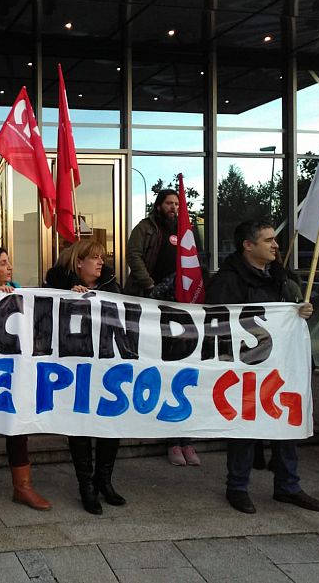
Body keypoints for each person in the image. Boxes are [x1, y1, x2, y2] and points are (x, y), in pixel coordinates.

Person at [206, 220, 319, 514]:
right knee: (245, 427)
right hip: (246, 367)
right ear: (248, 246)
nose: (276, 245)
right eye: (268, 240)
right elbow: (216, 322)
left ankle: (288, 486)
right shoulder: (228, 280)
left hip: (283, 364)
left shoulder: (281, 276)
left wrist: (301, 310)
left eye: (275, 239)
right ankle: (237, 487)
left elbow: (292, 312)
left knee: (287, 422)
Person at [0, 246, 52, 525]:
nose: (9, 267)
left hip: (15, 375)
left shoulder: (20, 293)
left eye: (9, 262)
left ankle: (22, 488)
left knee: (18, 431)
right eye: (3, 263)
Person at [45, 241, 127, 515]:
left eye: (102, 258)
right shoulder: (58, 287)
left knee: (110, 423)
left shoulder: (112, 286)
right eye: (94, 258)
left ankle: (104, 480)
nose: (101, 262)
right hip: (75, 366)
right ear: (79, 263)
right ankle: (86, 486)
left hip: (107, 366)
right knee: (80, 424)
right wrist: (68, 297)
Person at [123, 189, 201, 467]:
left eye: (177, 204)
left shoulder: (187, 230)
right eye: (169, 203)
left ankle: (183, 437)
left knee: (177, 364)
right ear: (158, 206)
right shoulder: (145, 228)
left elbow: (195, 260)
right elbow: (133, 255)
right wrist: (150, 286)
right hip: (148, 299)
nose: (174, 207)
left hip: (180, 305)